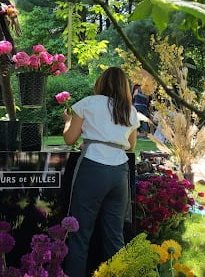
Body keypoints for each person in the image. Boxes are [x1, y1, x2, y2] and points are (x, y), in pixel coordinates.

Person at [62, 67, 140, 277]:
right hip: (119, 172)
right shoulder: (129, 110)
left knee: (79, 233)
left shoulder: (88, 103)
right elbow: (130, 146)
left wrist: (68, 121)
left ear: (101, 82)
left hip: (92, 167)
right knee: (115, 236)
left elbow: (69, 139)